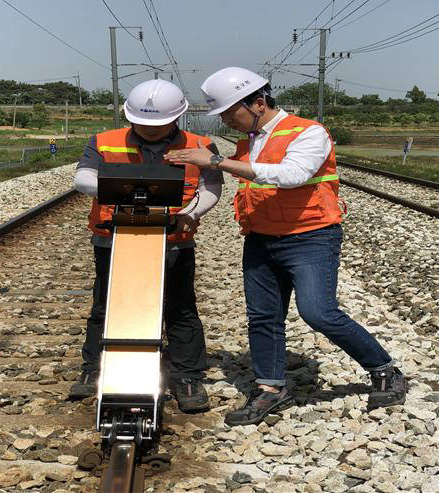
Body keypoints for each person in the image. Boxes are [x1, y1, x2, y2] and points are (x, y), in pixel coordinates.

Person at [165, 67, 407, 426]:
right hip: (262, 238)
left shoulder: (309, 132)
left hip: (309, 236)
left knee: (318, 312)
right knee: (263, 315)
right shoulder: (249, 140)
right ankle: (272, 388)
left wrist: (216, 161)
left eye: (231, 113)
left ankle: (385, 369)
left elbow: (292, 176)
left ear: (258, 103)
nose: (228, 121)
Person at [70, 79, 223, 413]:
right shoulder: (103, 141)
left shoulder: (200, 143)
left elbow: (212, 186)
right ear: (130, 116)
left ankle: (187, 376)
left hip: (175, 240)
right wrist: (117, 191)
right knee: (106, 304)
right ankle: (94, 368)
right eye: (142, 123)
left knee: (180, 306)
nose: (150, 130)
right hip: (113, 237)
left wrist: (191, 212)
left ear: (177, 117)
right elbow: (82, 177)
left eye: (159, 124)